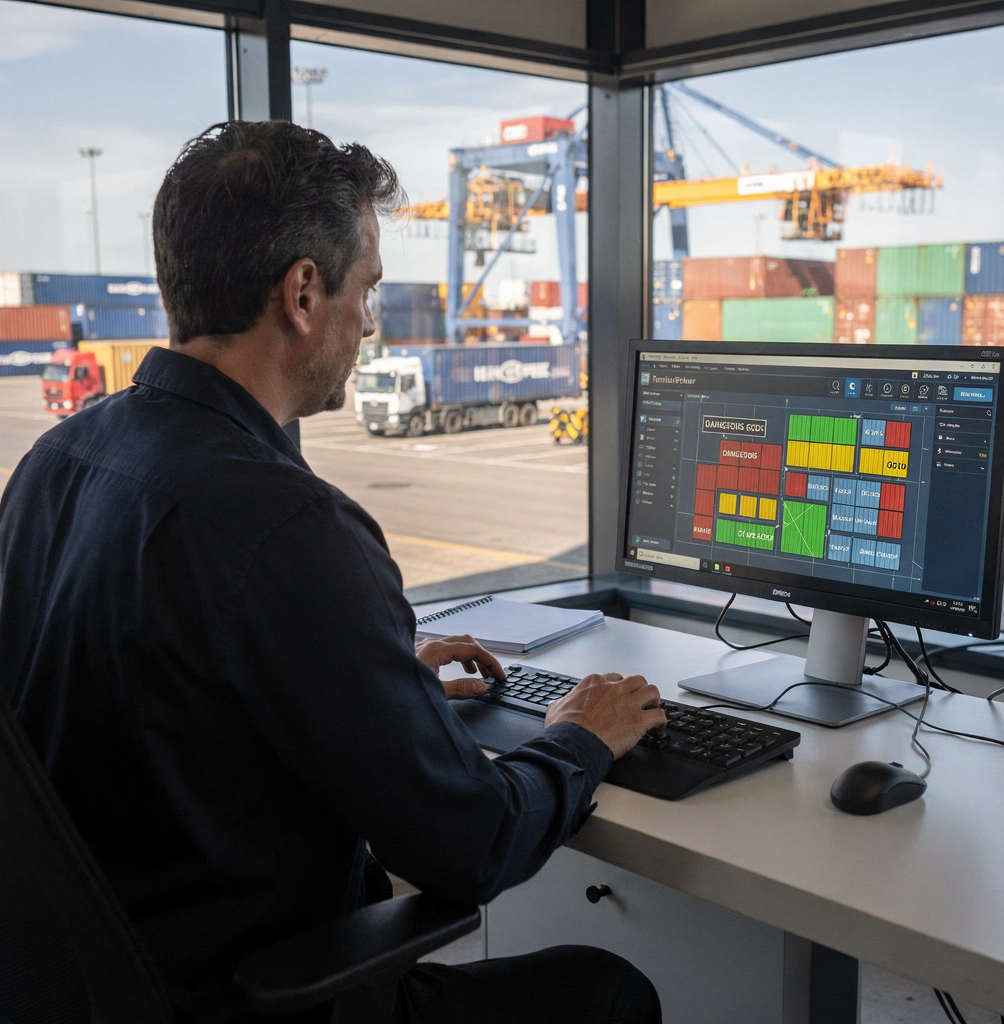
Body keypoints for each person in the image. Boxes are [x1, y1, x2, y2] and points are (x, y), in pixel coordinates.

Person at [0, 120, 666, 1024]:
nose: (370, 319)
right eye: (371, 288)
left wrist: (368, 678)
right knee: (608, 992)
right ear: (304, 292)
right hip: (250, 992)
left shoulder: (56, 461)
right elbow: (472, 845)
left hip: (104, 976)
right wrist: (582, 735)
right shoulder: (292, 527)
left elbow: (149, 702)